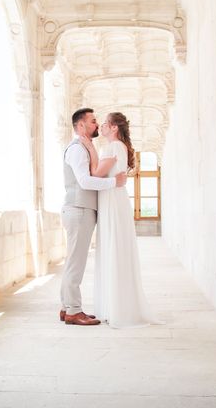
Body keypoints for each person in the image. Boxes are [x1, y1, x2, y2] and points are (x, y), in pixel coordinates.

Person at [80, 112, 159, 328]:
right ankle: (116, 306)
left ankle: (115, 309)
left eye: (105, 124)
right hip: (115, 198)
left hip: (112, 200)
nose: (102, 127)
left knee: (112, 248)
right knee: (115, 249)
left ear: (114, 128)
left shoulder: (113, 147)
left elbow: (95, 174)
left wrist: (89, 148)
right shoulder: (119, 147)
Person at [60, 108, 127, 326]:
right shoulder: (77, 149)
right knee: (75, 263)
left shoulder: (84, 147)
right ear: (80, 125)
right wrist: (113, 183)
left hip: (81, 209)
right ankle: (73, 310)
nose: (97, 125)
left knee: (73, 261)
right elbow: (85, 181)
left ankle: (66, 307)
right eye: (92, 121)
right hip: (79, 210)